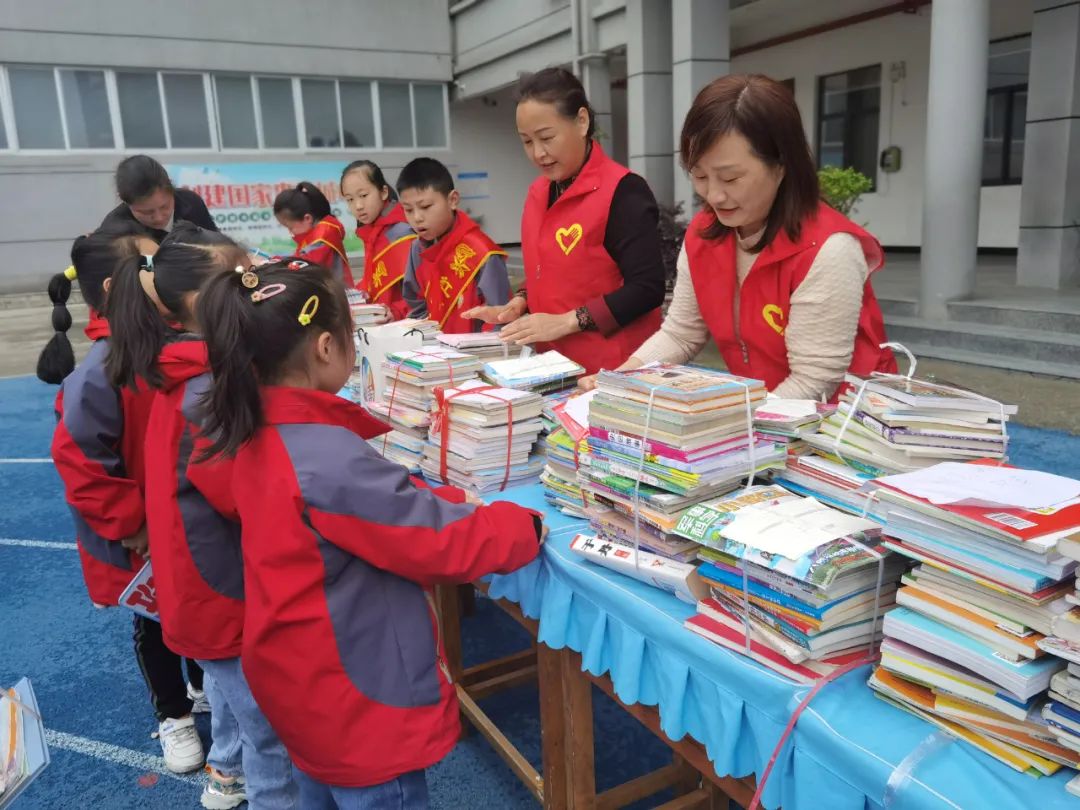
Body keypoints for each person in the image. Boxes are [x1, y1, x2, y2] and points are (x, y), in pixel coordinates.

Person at [195, 263, 546, 807]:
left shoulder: (250, 428)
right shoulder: (326, 457)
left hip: (297, 678)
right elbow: (436, 542)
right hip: (355, 691)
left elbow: (375, 509)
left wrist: (445, 500)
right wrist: (521, 525)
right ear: (327, 346)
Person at [106, 224, 299, 809]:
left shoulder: (187, 371)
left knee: (229, 689)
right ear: (197, 302)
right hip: (219, 589)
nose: (253, 287)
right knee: (271, 722)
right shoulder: (206, 390)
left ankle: (223, 774)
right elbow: (243, 499)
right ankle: (272, 797)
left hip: (201, 583)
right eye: (239, 279)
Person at [596, 74, 896, 401]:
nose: (714, 195)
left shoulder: (828, 249)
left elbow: (815, 380)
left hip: (840, 424)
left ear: (782, 164)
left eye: (730, 178)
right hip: (764, 413)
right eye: (699, 176)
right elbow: (681, 335)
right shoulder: (703, 235)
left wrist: (737, 432)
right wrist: (621, 380)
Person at [43, 226, 210, 775]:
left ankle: (203, 683)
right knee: (156, 623)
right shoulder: (100, 369)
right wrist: (131, 524)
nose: (158, 275)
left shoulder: (161, 341)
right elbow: (81, 463)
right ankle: (173, 714)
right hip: (143, 532)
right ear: (118, 288)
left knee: (201, 600)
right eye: (149, 267)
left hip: (181, 516)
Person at [463, 67, 666, 374]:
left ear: (582, 122)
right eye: (527, 142)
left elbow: (647, 288)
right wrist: (520, 303)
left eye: (547, 137)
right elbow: (551, 272)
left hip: (614, 370)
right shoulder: (538, 192)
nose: (538, 153)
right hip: (554, 369)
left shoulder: (623, 191)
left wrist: (566, 322)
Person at [397, 158, 510, 333]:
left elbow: (500, 317)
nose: (417, 217)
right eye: (408, 210)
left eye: (425, 206)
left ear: (453, 200)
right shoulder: (416, 249)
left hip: (475, 354)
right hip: (432, 351)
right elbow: (416, 306)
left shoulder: (482, 252)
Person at [341, 160, 417, 319]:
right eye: (350, 199)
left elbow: (419, 291)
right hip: (380, 318)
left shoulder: (402, 232)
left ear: (383, 192)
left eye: (363, 195)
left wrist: (396, 313)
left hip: (402, 324)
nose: (358, 205)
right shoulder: (371, 231)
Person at [99, 155, 218, 242]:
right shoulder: (116, 229)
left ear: (172, 189)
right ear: (125, 201)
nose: (159, 217)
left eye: (165, 206)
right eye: (146, 212)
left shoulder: (191, 203)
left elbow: (218, 244)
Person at [273, 182, 356, 288]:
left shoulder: (324, 235)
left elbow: (302, 264)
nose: (290, 232)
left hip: (337, 296)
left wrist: (275, 263)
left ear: (307, 218)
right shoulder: (316, 231)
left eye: (290, 227)